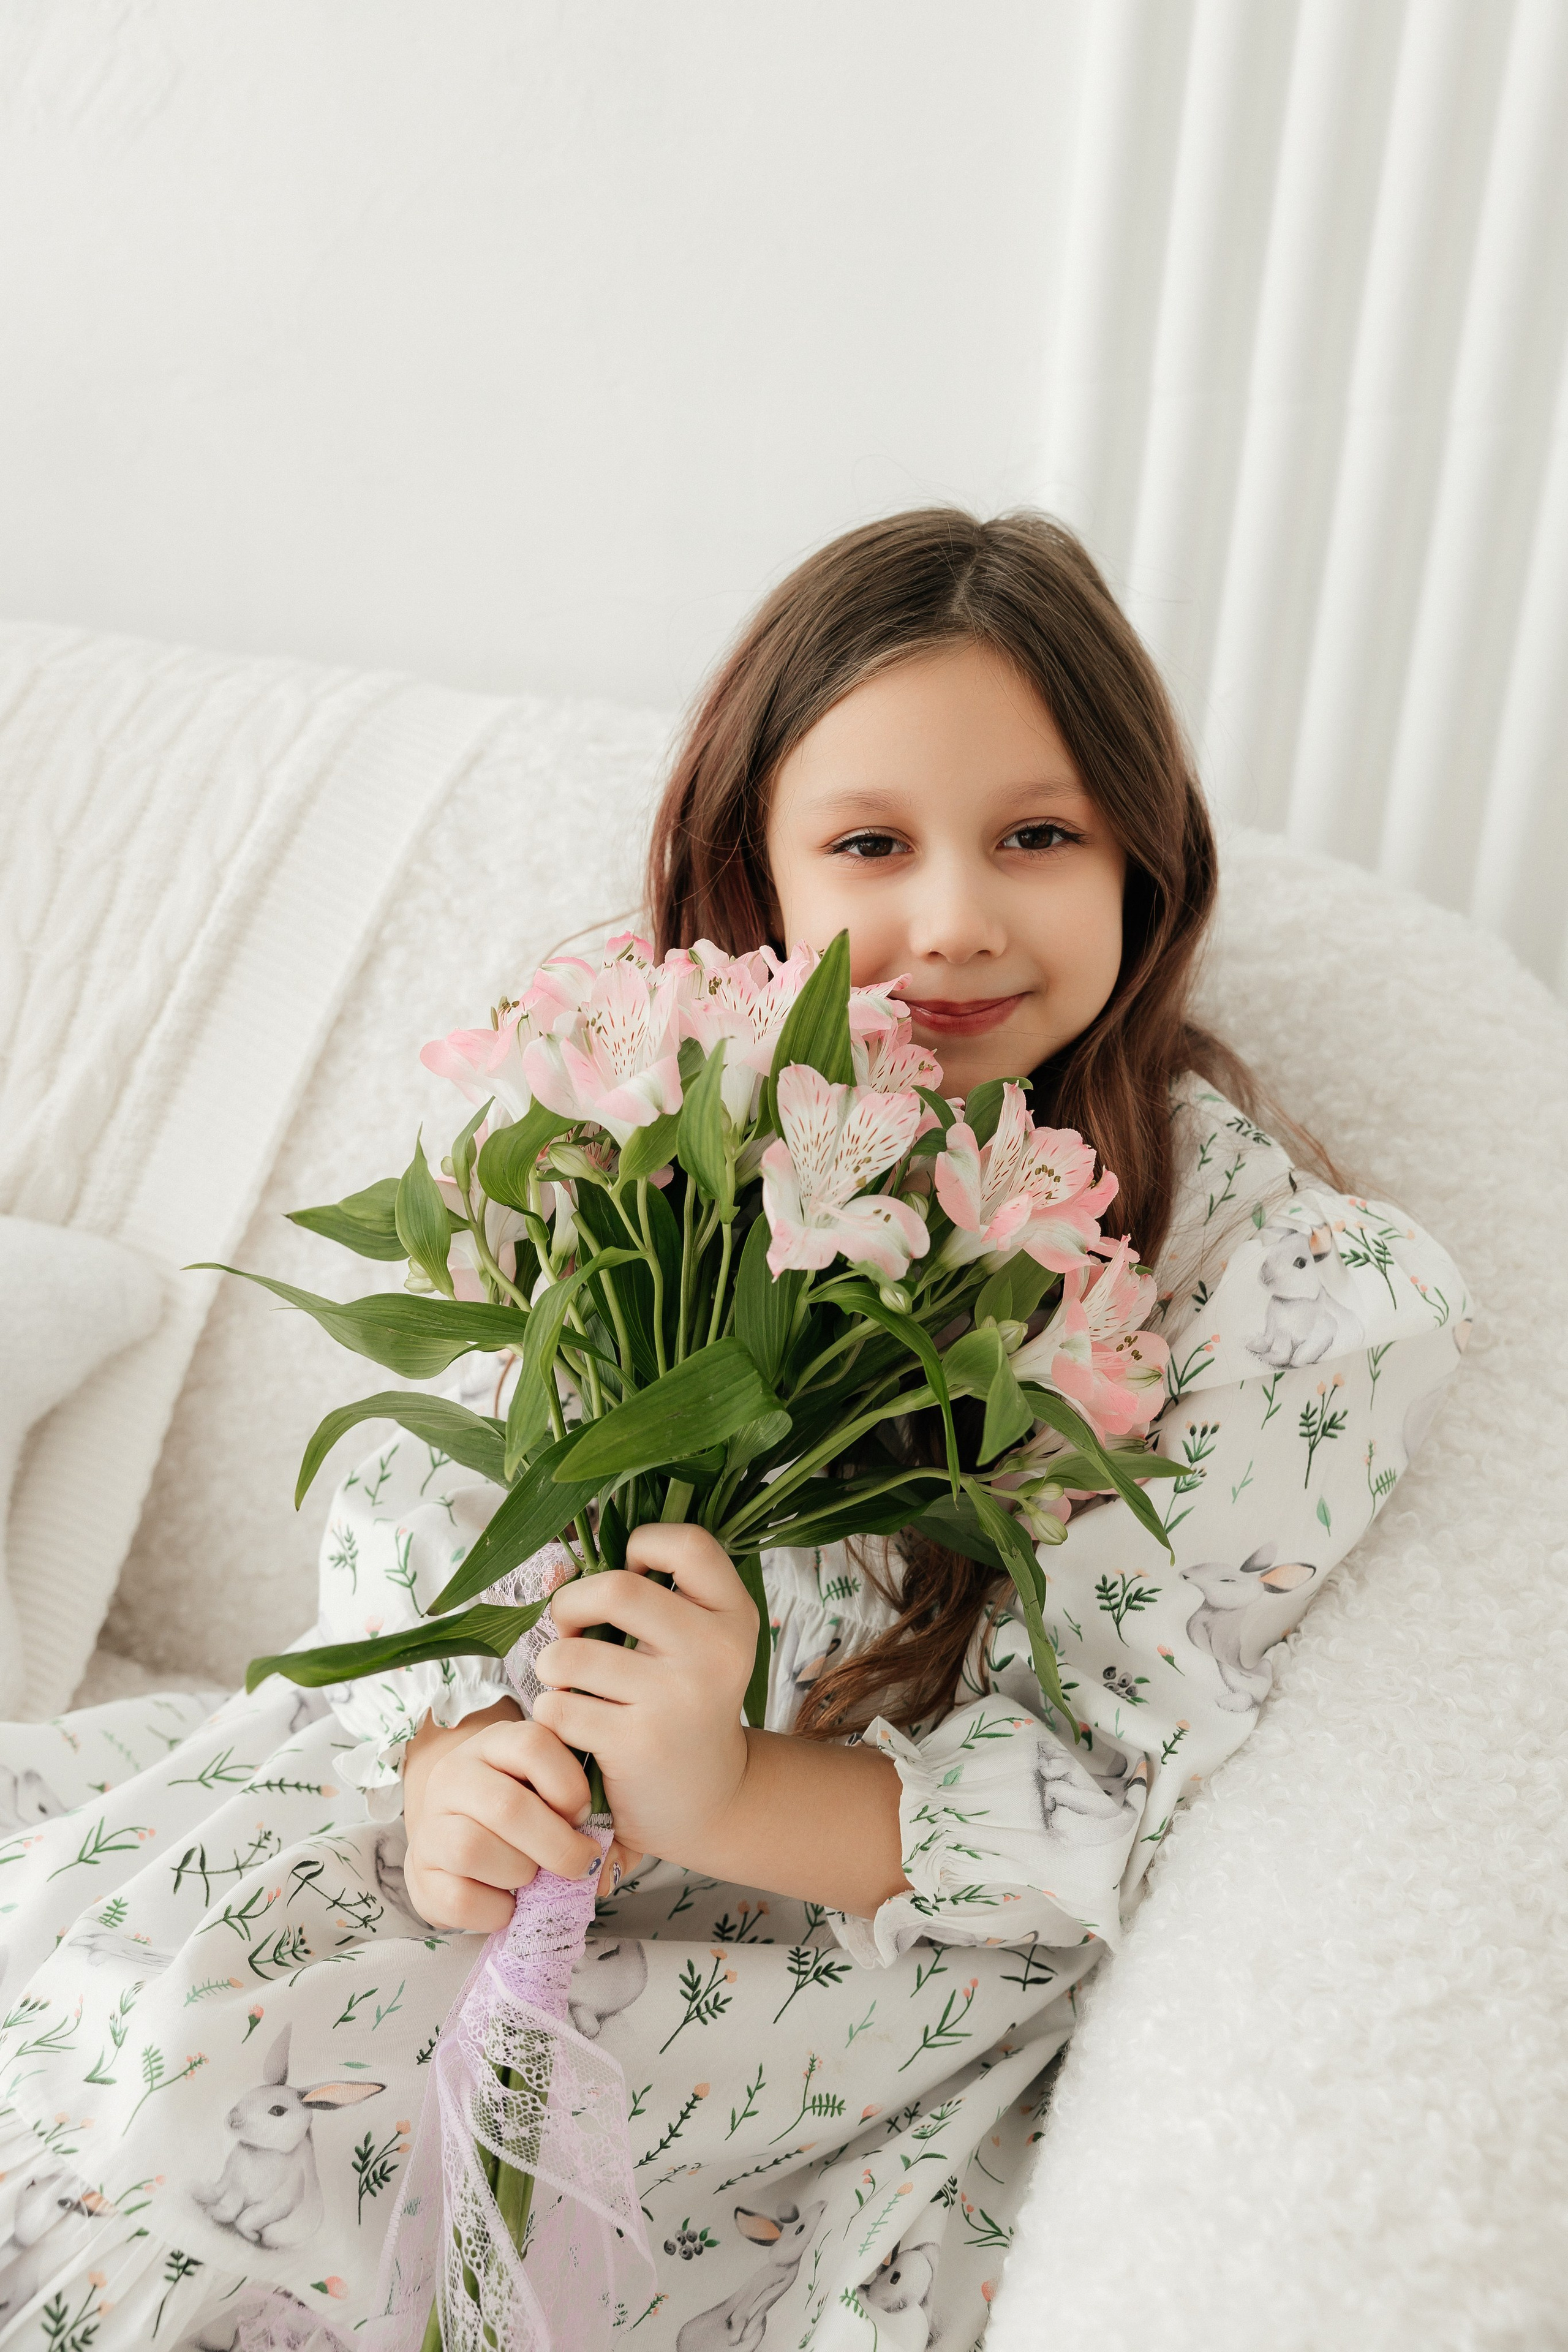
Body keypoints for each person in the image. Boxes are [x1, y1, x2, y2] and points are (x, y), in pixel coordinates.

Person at [0, 511, 1470, 2351]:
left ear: (1144, 865)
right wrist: (453, 1750)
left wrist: (724, 1790)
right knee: (124, 1988)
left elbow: (1108, 1797)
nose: (952, 918)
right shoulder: (663, 1112)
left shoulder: (1293, 1292)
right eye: (870, 844)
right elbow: (438, 1496)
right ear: (756, 876)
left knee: (262, 2146)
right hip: (505, 1820)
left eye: (1039, 834)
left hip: (802, 1965)